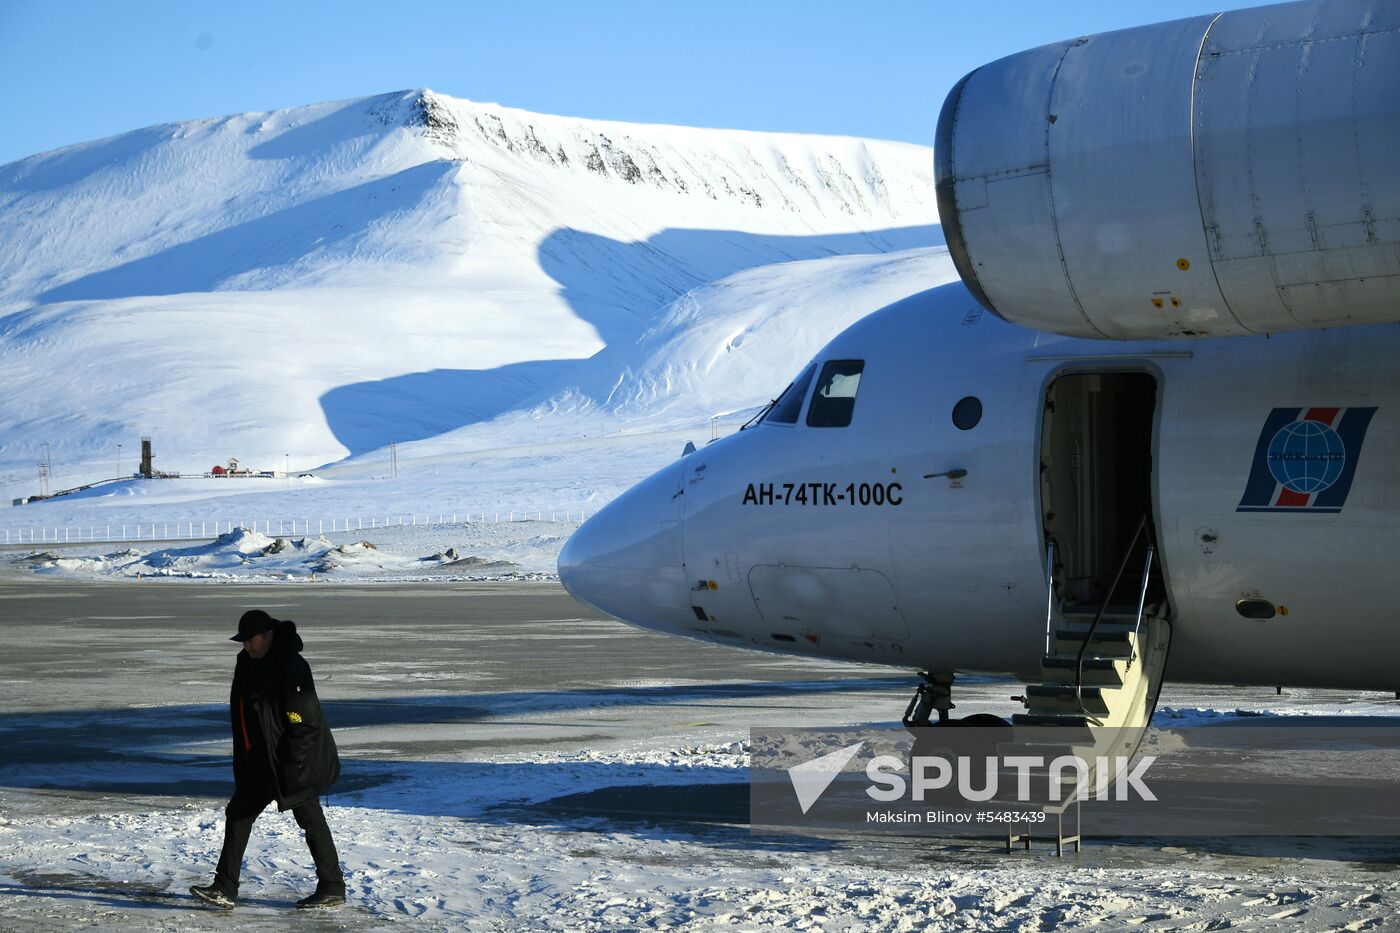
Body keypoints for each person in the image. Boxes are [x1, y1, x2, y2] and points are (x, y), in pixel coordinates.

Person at [190, 609, 346, 910]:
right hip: (263, 760)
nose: (247, 646)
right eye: (244, 641)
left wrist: (293, 766)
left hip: (294, 762)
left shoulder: (292, 666)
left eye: (252, 640)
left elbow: (305, 723)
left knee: (311, 820)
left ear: (269, 636)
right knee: (239, 814)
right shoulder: (248, 663)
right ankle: (224, 887)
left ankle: (332, 887)